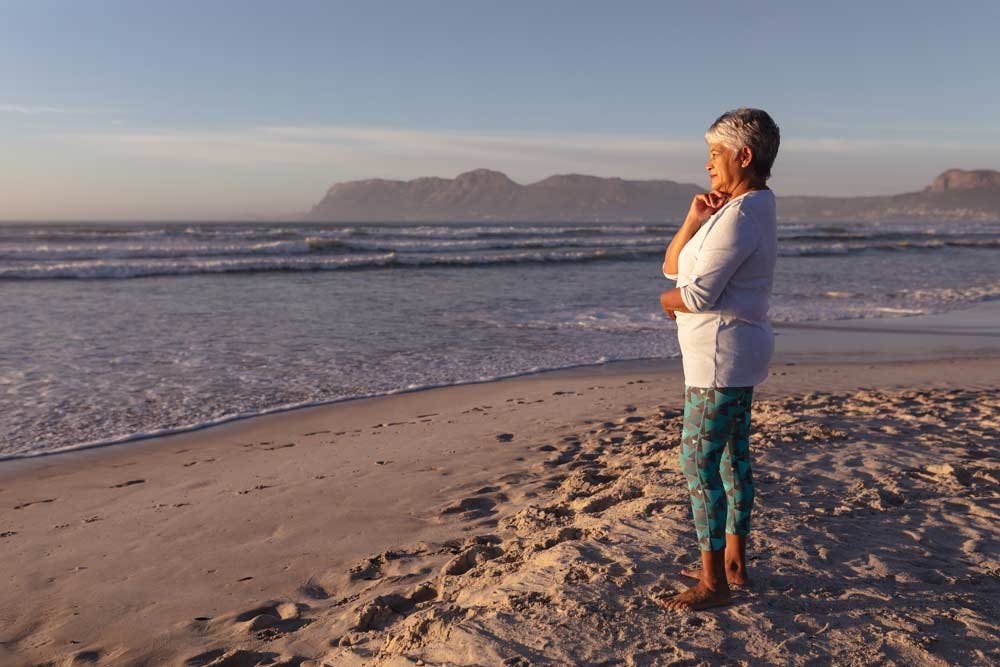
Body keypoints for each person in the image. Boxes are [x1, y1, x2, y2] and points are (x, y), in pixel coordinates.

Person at [655, 108, 780, 611]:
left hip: (719, 356)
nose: (708, 164)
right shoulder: (739, 209)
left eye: (714, 154)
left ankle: (714, 584)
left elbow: (695, 296)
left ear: (743, 155)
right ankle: (733, 563)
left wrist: (666, 305)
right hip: (731, 351)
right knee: (731, 458)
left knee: (698, 462)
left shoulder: (744, 214)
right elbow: (672, 268)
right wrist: (693, 218)